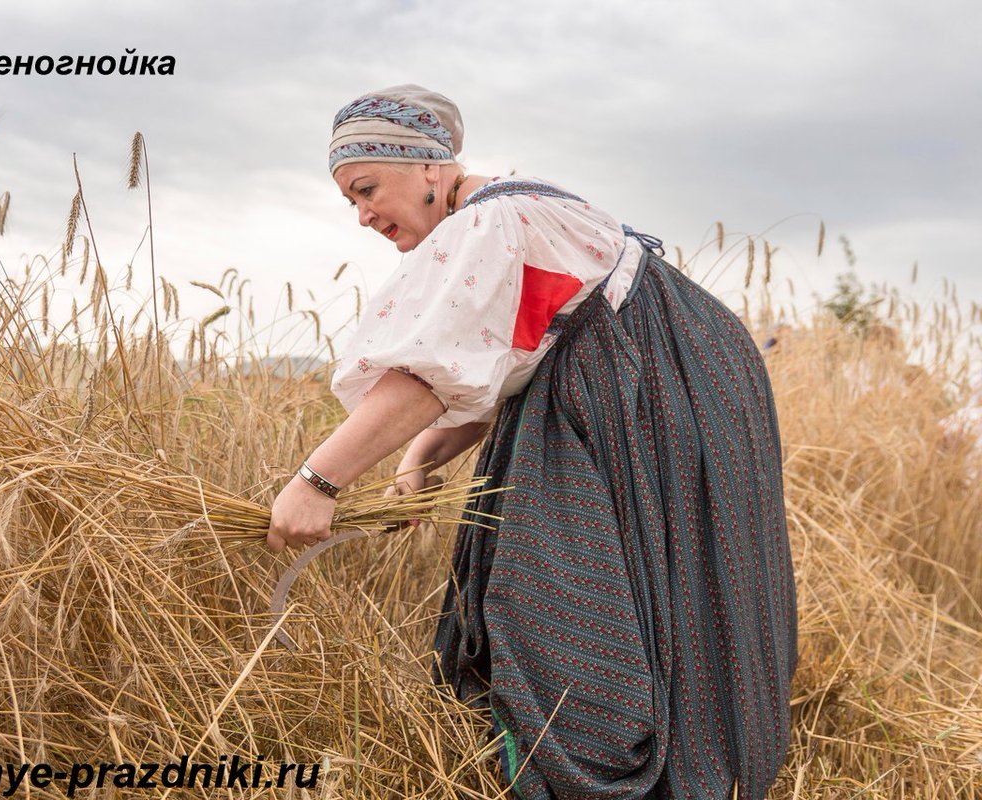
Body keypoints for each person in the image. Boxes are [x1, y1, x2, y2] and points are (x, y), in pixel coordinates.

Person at [267, 84, 798, 800]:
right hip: (686, 385)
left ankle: (609, 775)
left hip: (657, 397)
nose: (361, 214)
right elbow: (496, 370)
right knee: (658, 594)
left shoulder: (493, 223)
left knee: (551, 600)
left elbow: (427, 375)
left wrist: (316, 482)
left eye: (366, 188)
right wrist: (420, 459)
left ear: (430, 167)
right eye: (349, 201)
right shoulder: (515, 212)